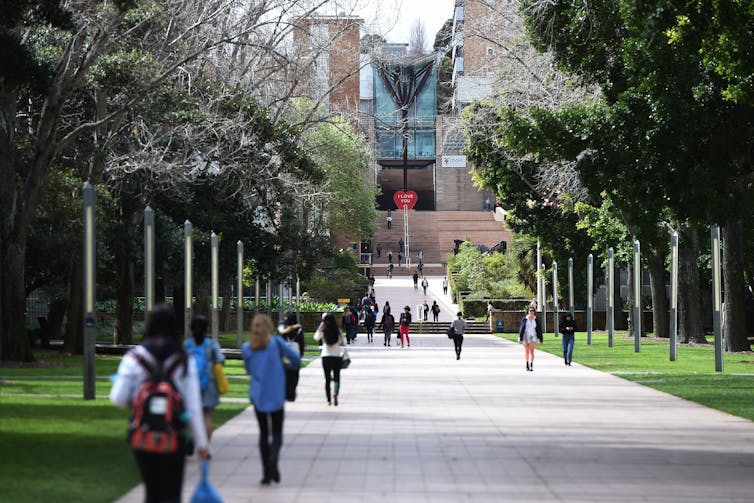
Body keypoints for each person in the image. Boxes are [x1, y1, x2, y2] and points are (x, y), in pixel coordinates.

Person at [110, 305, 209, 503]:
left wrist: (138, 400)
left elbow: (118, 397)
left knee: (152, 492)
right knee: (172, 494)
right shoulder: (183, 360)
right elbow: (193, 406)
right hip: (173, 436)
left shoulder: (134, 358)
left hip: (143, 435)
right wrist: (202, 443)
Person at [242, 314, 301, 485]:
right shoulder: (276, 343)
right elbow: (296, 358)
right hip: (276, 392)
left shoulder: (247, 348)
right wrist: (287, 366)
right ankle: (274, 456)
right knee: (276, 432)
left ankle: (266, 474)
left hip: (258, 394)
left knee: (263, 433)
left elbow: (248, 369)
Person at [185, 315, 225, 440]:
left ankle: (192, 439)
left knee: (193, 414)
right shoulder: (212, 344)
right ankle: (205, 447)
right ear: (207, 328)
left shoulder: (187, 345)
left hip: (191, 383)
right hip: (209, 382)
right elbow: (220, 360)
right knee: (207, 415)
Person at [313, 313, 345, 406]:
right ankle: (335, 392)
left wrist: (322, 324)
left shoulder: (323, 330)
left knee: (327, 379)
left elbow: (315, 337)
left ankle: (328, 400)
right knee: (337, 378)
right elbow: (341, 342)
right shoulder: (337, 330)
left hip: (325, 356)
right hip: (336, 356)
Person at [518, 306, 543, 371]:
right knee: (527, 351)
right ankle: (527, 364)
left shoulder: (536, 320)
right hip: (525, 336)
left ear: (534, 312)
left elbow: (539, 330)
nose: (531, 312)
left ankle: (531, 364)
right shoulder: (525, 319)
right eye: (530, 311)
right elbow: (521, 329)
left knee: (532, 351)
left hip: (533, 335)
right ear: (528, 312)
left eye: (532, 311)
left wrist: (541, 339)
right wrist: (520, 338)